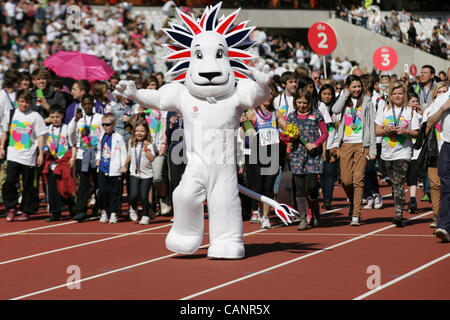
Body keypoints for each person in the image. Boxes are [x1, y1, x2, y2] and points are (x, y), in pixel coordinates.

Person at [332, 75, 376, 226]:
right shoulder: (345, 101)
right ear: (348, 88)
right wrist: (345, 94)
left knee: (358, 180)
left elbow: (371, 126)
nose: (356, 89)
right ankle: (354, 202)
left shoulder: (368, 102)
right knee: (345, 180)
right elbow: (335, 109)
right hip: (345, 144)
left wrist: (372, 148)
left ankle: (356, 214)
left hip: (361, 145)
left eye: (359, 86)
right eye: (353, 87)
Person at [375, 81, 420, 227]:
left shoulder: (409, 111)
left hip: (404, 152)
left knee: (399, 181)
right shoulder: (384, 109)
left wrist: (405, 131)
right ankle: (398, 207)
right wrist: (386, 131)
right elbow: (377, 130)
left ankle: (398, 214)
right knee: (395, 184)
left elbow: (416, 133)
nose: (397, 96)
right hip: (387, 152)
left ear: (404, 94)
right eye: (394, 93)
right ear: (390, 95)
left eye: (400, 93)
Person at [0, 89, 47, 222]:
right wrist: (2, 147)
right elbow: (4, 131)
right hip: (13, 154)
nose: (24, 104)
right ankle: (11, 207)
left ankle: (26, 210)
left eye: (27, 102)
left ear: (30, 102)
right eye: (22, 101)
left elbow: (40, 136)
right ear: (17, 102)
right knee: (9, 181)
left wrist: (41, 154)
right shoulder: (10, 114)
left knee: (28, 185)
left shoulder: (35, 116)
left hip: (29, 156)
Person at [244, 83, 286, 229]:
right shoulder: (252, 113)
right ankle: (257, 209)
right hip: (256, 153)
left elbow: (285, 128)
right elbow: (245, 132)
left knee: (269, 186)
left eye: (271, 94)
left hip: (273, 152)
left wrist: (290, 130)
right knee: (257, 185)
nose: (268, 97)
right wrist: (245, 125)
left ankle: (266, 217)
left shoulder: (276, 113)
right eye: (266, 94)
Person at [287, 88, 328, 230]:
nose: (302, 105)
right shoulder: (291, 116)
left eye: (305, 103)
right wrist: (290, 137)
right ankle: (303, 219)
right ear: (295, 102)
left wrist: (315, 144)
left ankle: (315, 210)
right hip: (297, 156)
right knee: (299, 188)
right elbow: (287, 136)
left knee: (312, 187)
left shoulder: (316, 114)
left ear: (310, 102)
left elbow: (324, 133)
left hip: (313, 156)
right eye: (299, 102)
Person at [68, 94, 104, 222]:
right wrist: (74, 121)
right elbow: (71, 137)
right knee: (83, 183)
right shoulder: (78, 120)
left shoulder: (100, 118)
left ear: (93, 105)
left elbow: (104, 135)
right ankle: (81, 210)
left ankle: (100, 207)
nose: (87, 106)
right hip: (82, 155)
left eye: (90, 104)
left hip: (96, 154)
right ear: (81, 106)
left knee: (98, 182)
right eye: (85, 104)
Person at [42, 104, 77, 222]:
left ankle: (72, 208)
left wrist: (72, 158)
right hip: (52, 163)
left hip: (64, 163)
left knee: (65, 187)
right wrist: (45, 151)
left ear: (62, 116)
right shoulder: (47, 130)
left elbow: (72, 145)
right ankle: (55, 212)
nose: (55, 119)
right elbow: (43, 146)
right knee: (52, 188)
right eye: (52, 117)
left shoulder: (66, 128)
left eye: (57, 116)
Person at [421, 81, 449, 228]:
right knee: (437, 186)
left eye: (445, 91)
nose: (442, 94)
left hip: (445, 148)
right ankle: (438, 217)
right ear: (435, 94)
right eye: (440, 92)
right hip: (435, 152)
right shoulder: (433, 108)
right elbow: (425, 130)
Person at [122, 120, 156, 225]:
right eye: (137, 131)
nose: (139, 133)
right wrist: (124, 166)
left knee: (144, 196)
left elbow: (152, 158)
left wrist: (146, 149)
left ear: (146, 132)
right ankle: (133, 208)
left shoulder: (149, 144)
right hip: (134, 173)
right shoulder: (131, 142)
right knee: (133, 195)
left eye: (142, 131)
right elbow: (129, 156)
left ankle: (145, 215)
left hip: (147, 175)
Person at [96, 113, 127, 224]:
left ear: (114, 124)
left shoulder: (119, 137)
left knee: (115, 193)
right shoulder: (101, 136)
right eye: (103, 124)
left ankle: (113, 212)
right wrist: (97, 159)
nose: (105, 127)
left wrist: (124, 166)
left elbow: (123, 153)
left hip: (115, 170)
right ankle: (104, 211)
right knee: (103, 192)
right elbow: (99, 150)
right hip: (103, 169)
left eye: (108, 124)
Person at [361, 74, 383, 210]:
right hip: (360, 139)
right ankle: (368, 195)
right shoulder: (357, 100)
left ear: (367, 85)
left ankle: (376, 194)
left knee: (370, 168)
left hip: (374, 139)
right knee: (363, 169)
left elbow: (378, 120)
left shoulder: (378, 100)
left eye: (360, 85)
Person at [318, 84, 338, 210]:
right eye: (324, 94)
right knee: (322, 173)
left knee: (330, 173)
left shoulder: (337, 108)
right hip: (319, 144)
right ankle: (325, 195)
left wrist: (336, 146)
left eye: (329, 94)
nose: (327, 96)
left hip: (332, 144)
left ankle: (327, 199)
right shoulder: (318, 107)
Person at [405, 92, 422, 215]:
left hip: (417, 150)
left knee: (412, 175)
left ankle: (412, 199)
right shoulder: (403, 114)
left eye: (417, 101)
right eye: (412, 102)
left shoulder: (422, 114)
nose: (415, 104)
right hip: (404, 149)